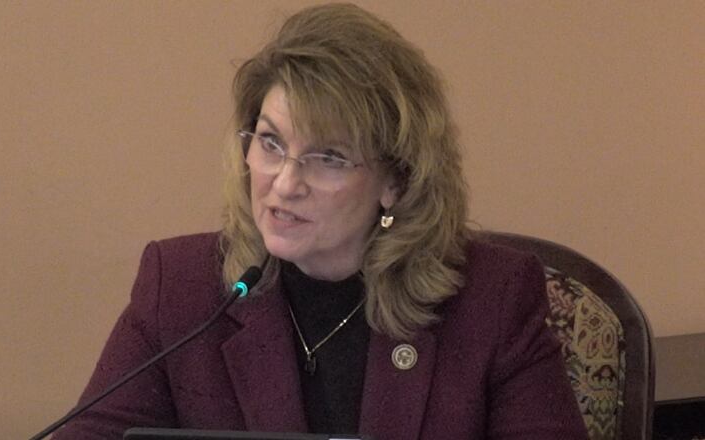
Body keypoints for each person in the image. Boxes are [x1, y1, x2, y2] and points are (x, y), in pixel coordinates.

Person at [53, 3, 588, 439]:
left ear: (395, 181)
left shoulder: (493, 300)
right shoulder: (180, 287)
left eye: (328, 157)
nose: (285, 183)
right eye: (270, 143)